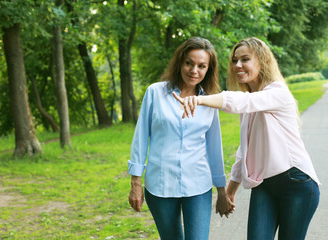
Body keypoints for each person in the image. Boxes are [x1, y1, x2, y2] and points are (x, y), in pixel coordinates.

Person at [174, 37, 320, 240]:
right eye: (235, 60)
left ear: (262, 61)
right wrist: (230, 191)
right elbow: (245, 150)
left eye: (245, 59)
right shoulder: (250, 103)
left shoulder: (277, 93)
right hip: (264, 186)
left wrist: (198, 99)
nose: (238, 65)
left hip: (296, 184)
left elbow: (238, 101)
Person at [128, 37, 234, 240]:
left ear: (208, 70)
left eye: (201, 66)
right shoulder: (155, 93)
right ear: (180, 63)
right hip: (160, 186)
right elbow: (141, 137)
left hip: (198, 185)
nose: (194, 70)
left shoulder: (209, 100)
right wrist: (135, 182)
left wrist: (221, 190)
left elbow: (214, 147)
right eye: (189, 63)